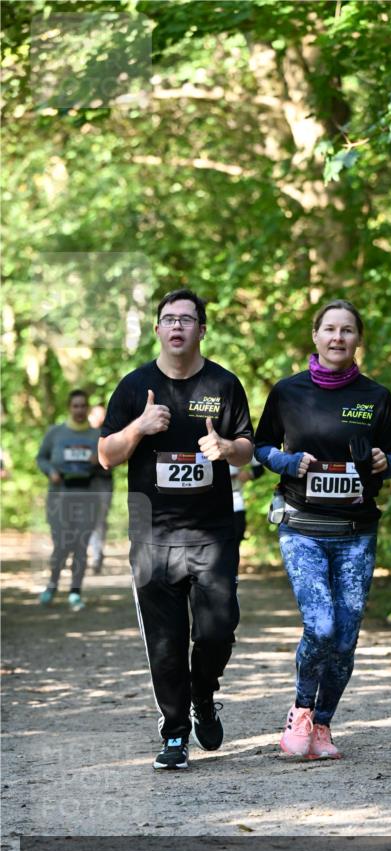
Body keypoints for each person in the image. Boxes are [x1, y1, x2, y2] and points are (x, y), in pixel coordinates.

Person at [98, 289, 254, 771]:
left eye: (187, 319)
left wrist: (227, 448)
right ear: (158, 329)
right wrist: (140, 428)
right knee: (165, 645)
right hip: (152, 537)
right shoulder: (134, 387)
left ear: (201, 330)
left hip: (212, 534)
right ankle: (175, 732)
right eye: (169, 319)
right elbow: (106, 455)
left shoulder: (224, 385)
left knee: (217, 631)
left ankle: (203, 697)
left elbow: (250, 449)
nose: (178, 326)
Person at [254, 299, 391, 760]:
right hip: (302, 525)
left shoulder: (376, 397)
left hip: (356, 530)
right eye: (329, 330)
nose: (338, 338)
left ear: (358, 339)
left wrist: (385, 461)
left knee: (345, 634)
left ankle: (322, 726)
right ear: (315, 337)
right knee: (320, 625)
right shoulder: (287, 392)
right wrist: (284, 460)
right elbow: (260, 446)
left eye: (347, 331)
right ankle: (300, 710)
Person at [37, 388, 101, 611]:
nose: (79, 410)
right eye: (76, 406)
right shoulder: (55, 433)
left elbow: (110, 463)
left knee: (81, 545)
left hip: (87, 496)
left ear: (88, 408)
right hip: (59, 496)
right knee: (62, 545)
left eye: (83, 405)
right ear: (69, 408)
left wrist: (100, 459)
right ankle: (52, 585)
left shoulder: (97, 435)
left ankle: (75, 591)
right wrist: (50, 471)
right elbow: (41, 458)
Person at [88, 404, 113, 573]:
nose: (101, 418)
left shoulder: (110, 432)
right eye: (98, 414)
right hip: (82, 482)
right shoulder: (81, 433)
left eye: (103, 415)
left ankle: (96, 555)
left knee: (98, 519)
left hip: (103, 482)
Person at [229, 458, 265, 545]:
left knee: (238, 531)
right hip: (211, 498)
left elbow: (259, 470)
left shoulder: (240, 444)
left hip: (235, 496)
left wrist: (249, 474)